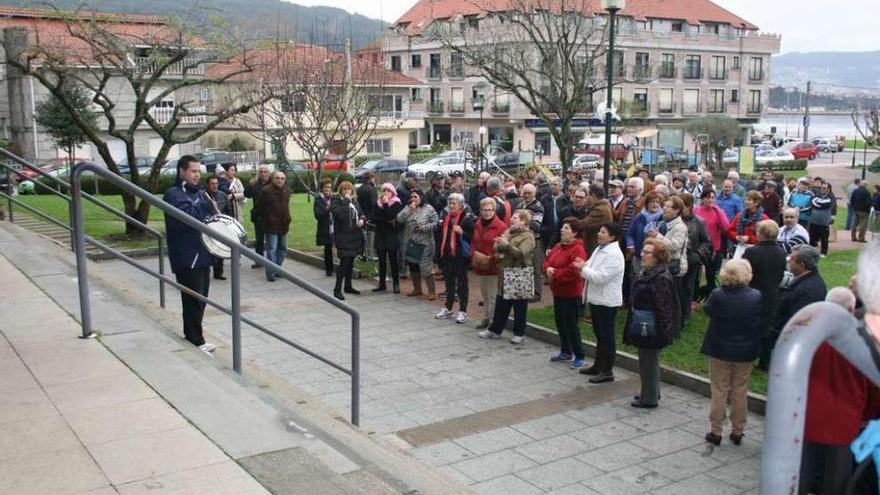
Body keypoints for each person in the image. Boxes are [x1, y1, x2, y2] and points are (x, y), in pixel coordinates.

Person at [799, 287, 879, 495]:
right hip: (844, 422)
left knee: (801, 473)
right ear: (852, 308)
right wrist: (866, 414)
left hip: (808, 416)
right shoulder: (865, 343)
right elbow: (873, 389)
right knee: (836, 480)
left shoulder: (806, 336)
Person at [700, 259, 762, 446]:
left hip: (720, 348)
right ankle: (738, 430)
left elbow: (708, 311)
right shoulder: (756, 296)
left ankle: (716, 430)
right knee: (740, 390)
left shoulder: (718, 295)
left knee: (719, 390)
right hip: (745, 349)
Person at [163, 155, 216, 354]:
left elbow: (210, 216)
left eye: (199, 172)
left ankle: (196, 336)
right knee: (193, 299)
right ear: (182, 171)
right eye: (194, 171)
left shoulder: (200, 194)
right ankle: (195, 339)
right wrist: (205, 206)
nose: (197, 175)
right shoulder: (174, 194)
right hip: (186, 255)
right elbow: (189, 218)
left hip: (203, 253)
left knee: (202, 298)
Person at [626, 238, 675, 409]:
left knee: (649, 361)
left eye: (647, 252)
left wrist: (663, 330)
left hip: (651, 325)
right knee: (645, 360)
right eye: (643, 251)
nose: (642, 254)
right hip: (644, 321)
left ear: (657, 256)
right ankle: (651, 391)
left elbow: (664, 307)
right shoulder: (647, 272)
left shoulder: (660, 277)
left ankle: (649, 398)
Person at [574, 222, 625, 382]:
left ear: (612, 237)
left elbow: (601, 277)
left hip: (607, 301)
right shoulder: (600, 249)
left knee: (606, 337)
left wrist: (583, 269)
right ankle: (597, 366)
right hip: (596, 299)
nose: (599, 234)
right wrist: (583, 266)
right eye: (600, 231)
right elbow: (590, 266)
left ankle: (607, 371)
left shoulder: (614, 254)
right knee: (599, 335)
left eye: (603, 232)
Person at [480, 209, 536, 344]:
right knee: (502, 303)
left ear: (523, 221)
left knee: (519, 306)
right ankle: (495, 330)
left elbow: (522, 254)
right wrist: (499, 245)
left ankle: (519, 334)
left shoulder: (528, 236)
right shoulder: (508, 231)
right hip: (505, 272)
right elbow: (495, 246)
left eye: (515, 218)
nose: (511, 220)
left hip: (520, 274)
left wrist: (507, 245)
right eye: (512, 217)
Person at [768, 245, 827, 366]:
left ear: (803, 265)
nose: (788, 260)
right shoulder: (803, 280)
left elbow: (798, 322)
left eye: (792, 259)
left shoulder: (809, 290)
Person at [742, 221, 787, 370]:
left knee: (750, 326)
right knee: (766, 326)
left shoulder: (752, 252)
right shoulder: (781, 252)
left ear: (761, 234)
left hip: (752, 293)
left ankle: (748, 354)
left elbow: (744, 273)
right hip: (772, 293)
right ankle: (765, 360)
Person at [544, 219, 587, 366]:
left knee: (571, 325)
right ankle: (566, 351)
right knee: (560, 323)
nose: (562, 230)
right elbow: (547, 261)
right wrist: (548, 269)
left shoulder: (578, 249)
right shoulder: (558, 246)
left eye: (567, 228)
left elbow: (574, 271)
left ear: (574, 233)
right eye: (562, 227)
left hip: (571, 293)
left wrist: (554, 273)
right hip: (558, 291)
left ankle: (579, 354)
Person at [650, 196, 688, 336]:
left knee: (673, 300)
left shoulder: (680, 227)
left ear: (677, 210)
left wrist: (658, 237)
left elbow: (674, 246)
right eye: (664, 205)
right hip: (662, 265)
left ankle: (675, 329)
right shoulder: (663, 223)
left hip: (674, 267)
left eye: (668, 206)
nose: (664, 208)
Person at [435, 193, 474, 323]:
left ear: (461, 205)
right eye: (450, 203)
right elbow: (441, 237)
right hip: (446, 254)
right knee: (449, 282)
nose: (451, 206)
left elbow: (472, 237)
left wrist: (462, 232)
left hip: (460, 256)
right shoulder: (446, 218)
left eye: (454, 204)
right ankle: (448, 306)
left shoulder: (466, 218)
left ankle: (463, 310)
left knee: (462, 283)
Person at [471, 197, 508, 329]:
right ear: (480, 211)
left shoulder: (501, 226)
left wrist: (491, 258)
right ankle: (486, 317)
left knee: (493, 295)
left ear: (495, 210)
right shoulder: (477, 224)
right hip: (480, 264)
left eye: (490, 210)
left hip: (493, 266)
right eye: (484, 210)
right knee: (484, 294)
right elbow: (474, 242)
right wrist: (474, 254)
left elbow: (502, 248)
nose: (487, 212)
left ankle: (493, 321)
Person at [397, 188, 439, 300]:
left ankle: (432, 291)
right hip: (411, 243)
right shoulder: (408, 208)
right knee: (413, 266)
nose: (413, 199)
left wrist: (424, 227)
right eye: (411, 197)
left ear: (421, 197)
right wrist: (408, 210)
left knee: (425, 268)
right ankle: (417, 289)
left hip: (425, 244)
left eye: (416, 197)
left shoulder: (428, 209)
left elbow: (436, 223)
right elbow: (399, 219)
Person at [679, 193, 711, 323]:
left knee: (687, 287)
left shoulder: (699, 221)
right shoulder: (675, 220)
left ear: (689, 206)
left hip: (691, 260)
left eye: (683, 206)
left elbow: (706, 241)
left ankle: (685, 314)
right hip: (676, 259)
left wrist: (698, 254)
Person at [331, 181, 365, 300]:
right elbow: (339, 214)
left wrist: (362, 219)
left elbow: (361, 213)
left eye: (349, 189)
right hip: (343, 237)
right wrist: (346, 201)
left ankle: (348, 286)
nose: (347, 192)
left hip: (354, 236)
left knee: (351, 262)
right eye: (344, 189)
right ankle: (337, 288)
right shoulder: (336, 201)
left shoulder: (354, 201)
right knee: (344, 263)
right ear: (341, 191)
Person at [255, 171, 291, 282]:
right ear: (273, 178)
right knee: (272, 249)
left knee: (283, 249)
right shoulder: (266, 191)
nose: (280, 180)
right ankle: (271, 273)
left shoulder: (286, 190)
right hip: (271, 226)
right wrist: (268, 219)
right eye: (277, 178)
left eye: (282, 178)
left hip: (284, 224)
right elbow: (259, 207)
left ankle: (277, 269)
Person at [694, 189, 730, 297]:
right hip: (698, 247)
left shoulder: (718, 212)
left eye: (713, 197)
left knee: (711, 275)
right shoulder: (696, 211)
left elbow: (726, 228)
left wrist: (718, 211)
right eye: (708, 197)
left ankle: (711, 297)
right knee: (696, 275)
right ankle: (694, 298)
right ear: (702, 199)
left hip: (714, 248)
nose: (710, 200)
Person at [371, 183, 404, 293]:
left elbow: (392, 216)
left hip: (391, 235)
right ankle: (382, 283)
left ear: (393, 192)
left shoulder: (396, 203)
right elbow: (374, 217)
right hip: (380, 234)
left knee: (393, 260)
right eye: (384, 191)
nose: (385, 193)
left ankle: (396, 284)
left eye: (388, 191)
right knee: (381, 260)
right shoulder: (378, 203)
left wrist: (385, 206)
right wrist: (386, 218)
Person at [520, 183, 545, 301]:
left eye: (529, 193)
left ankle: (537, 293)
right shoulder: (520, 205)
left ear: (534, 194)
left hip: (535, 240)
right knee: (524, 265)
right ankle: (525, 290)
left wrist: (525, 220)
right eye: (524, 192)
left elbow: (537, 226)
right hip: (521, 240)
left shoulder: (538, 207)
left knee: (535, 267)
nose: (526, 195)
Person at [573, 184, 613, 255]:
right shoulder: (600, 207)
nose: (586, 198)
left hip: (594, 246)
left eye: (588, 195)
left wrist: (569, 222)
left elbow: (583, 224)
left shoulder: (599, 210)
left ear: (593, 196)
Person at [244, 165, 271, 267]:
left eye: (265, 172)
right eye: (261, 172)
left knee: (270, 241)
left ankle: (270, 262)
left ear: (269, 173)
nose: (263, 174)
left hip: (270, 217)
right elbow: (247, 194)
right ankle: (259, 261)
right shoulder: (255, 184)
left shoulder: (273, 183)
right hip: (258, 216)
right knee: (259, 240)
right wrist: (250, 185)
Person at [205, 175, 230, 280]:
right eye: (212, 184)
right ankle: (205, 272)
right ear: (208, 185)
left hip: (220, 225)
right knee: (206, 250)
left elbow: (228, 210)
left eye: (216, 184)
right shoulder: (203, 195)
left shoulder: (222, 195)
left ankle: (218, 273)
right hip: (207, 225)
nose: (215, 186)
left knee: (219, 249)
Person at [314, 178, 335, 276]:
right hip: (325, 228)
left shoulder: (334, 198)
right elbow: (317, 215)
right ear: (322, 188)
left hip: (335, 226)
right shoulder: (319, 199)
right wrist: (327, 209)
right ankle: (329, 269)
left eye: (329, 187)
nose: (327, 189)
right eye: (326, 187)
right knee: (328, 249)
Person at [807, 181, 834, 256]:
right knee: (812, 237)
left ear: (829, 189)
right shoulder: (816, 195)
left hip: (824, 222)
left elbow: (825, 203)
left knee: (824, 238)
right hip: (814, 221)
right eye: (821, 187)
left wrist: (817, 202)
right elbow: (813, 202)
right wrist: (818, 202)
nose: (822, 189)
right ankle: (811, 252)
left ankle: (823, 253)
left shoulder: (831, 197)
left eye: (824, 188)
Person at [358, 171, 378, 261]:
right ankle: (369, 254)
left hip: (361, 214)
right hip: (370, 215)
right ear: (371, 178)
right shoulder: (372, 189)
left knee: (362, 235)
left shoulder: (360, 188)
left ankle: (362, 253)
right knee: (370, 236)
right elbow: (373, 203)